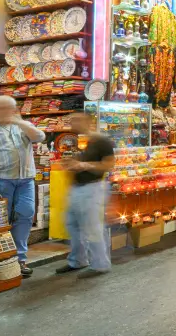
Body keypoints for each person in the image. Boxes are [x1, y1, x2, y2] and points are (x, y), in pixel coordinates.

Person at [0, 95, 45, 277]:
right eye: (2, 108)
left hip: (25, 180)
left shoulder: (22, 125)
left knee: (25, 214)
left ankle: (19, 259)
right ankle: (1, 260)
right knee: (0, 220)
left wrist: (21, 123)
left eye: (11, 108)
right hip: (0, 180)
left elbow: (40, 137)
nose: (7, 112)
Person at [55, 113, 114, 278]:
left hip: (92, 189)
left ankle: (100, 264)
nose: (73, 123)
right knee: (73, 225)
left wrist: (83, 165)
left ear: (89, 122)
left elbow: (108, 164)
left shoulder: (101, 141)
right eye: (71, 120)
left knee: (92, 227)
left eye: (77, 119)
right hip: (77, 188)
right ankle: (78, 260)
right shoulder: (80, 141)